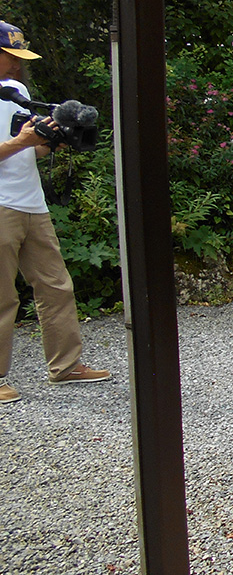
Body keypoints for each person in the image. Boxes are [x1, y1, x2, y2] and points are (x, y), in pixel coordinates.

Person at [0, 20, 109, 404]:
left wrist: (54, 142)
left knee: (55, 286)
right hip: (0, 205)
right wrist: (20, 142)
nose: (16, 65)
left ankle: (66, 366)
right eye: (9, 57)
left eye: (19, 58)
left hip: (31, 202)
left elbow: (30, 148)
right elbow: (15, 144)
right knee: (2, 296)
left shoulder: (15, 91)